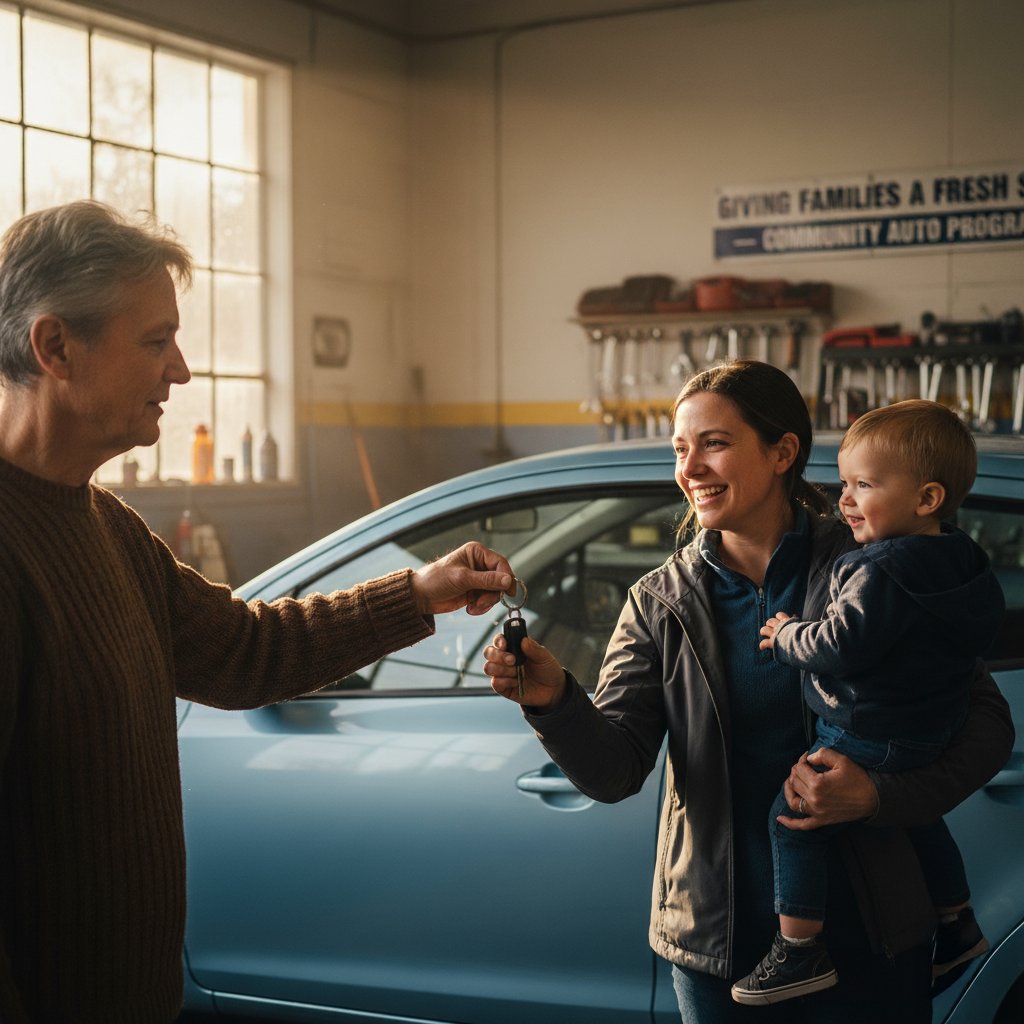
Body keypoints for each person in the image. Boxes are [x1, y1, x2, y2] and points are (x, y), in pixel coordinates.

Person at [0, 200, 515, 1024]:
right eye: (155, 341)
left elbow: (245, 651)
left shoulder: (108, 527)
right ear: (55, 346)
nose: (182, 372)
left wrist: (418, 593)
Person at [483, 360, 1013, 1023]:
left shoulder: (873, 565)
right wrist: (553, 699)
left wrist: (879, 796)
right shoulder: (659, 603)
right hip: (721, 956)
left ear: (783, 451)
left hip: (873, 938)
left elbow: (988, 724)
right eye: (681, 448)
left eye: (715, 442)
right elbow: (615, 770)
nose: (690, 467)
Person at [731, 400, 1004, 1007]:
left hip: (870, 729)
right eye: (844, 483)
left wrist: (786, 636)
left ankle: (800, 949)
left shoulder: (878, 569)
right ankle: (957, 919)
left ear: (927, 498)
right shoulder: (959, 558)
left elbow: (839, 643)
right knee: (918, 817)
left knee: (794, 815)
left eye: (863, 485)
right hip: (932, 728)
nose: (845, 499)